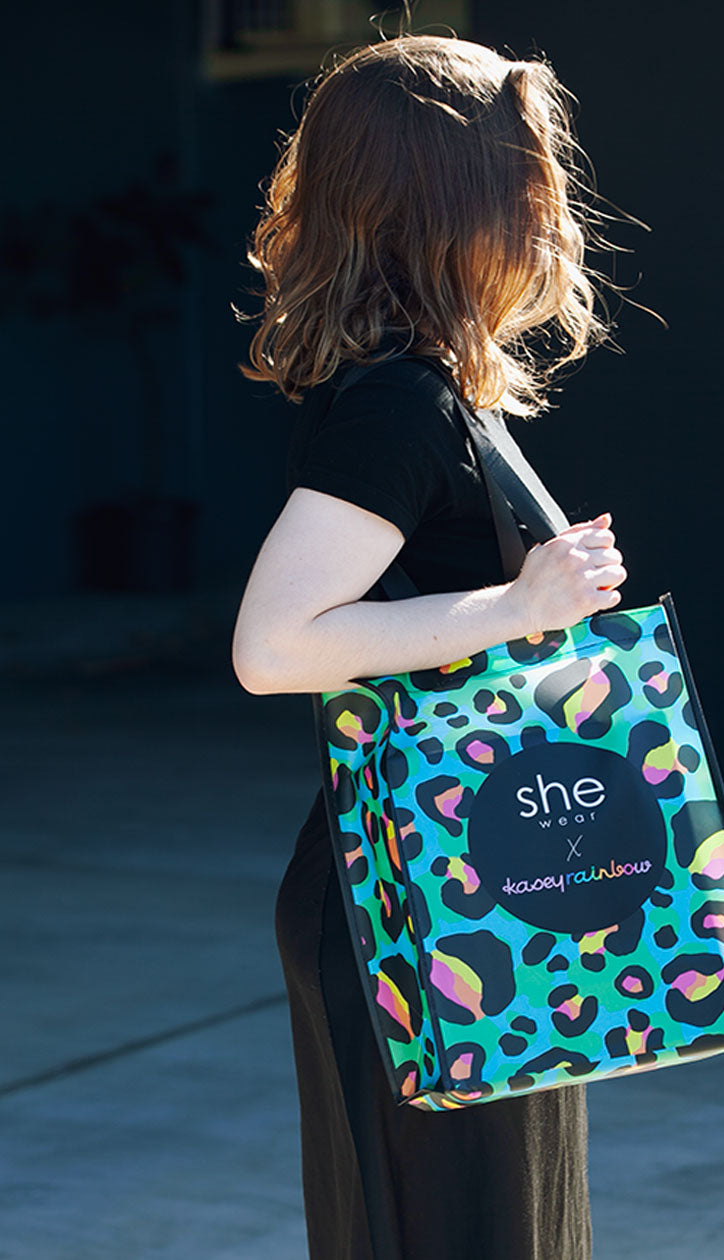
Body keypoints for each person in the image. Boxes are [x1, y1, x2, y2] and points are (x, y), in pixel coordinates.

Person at [231, 32, 635, 1260]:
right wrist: (521, 609)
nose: (549, 200)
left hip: (470, 895)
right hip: (421, 909)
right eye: (526, 168)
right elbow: (275, 645)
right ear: (455, 196)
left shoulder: (429, 388)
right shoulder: (399, 402)